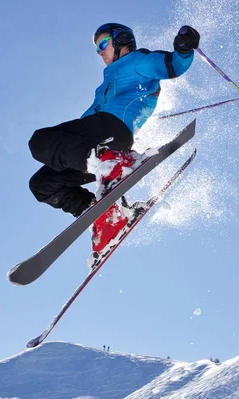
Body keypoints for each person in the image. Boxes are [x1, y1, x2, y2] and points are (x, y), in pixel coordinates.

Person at [28, 23, 200, 241]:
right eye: (97, 48)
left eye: (103, 43)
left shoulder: (136, 62)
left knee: (40, 141)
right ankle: (107, 217)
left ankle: (106, 160)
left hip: (112, 130)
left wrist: (183, 49)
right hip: (93, 147)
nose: (99, 51)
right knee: (42, 184)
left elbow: (171, 65)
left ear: (120, 40)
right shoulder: (106, 82)